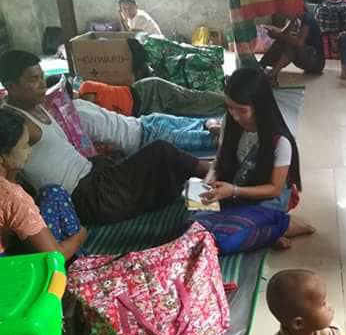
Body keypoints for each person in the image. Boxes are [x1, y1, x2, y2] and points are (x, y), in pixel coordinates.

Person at [0, 50, 209, 225]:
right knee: (161, 151)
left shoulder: (37, 106)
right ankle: (217, 179)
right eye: (33, 80)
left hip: (94, 175)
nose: (42, 84)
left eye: (41, 77)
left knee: (169, 172)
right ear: (11, 87)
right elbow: (8, 169)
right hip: (88, 197)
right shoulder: (13, 123)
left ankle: (207, 201)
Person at [199, 67, 314, 248]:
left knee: (220, 240)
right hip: (237, 191)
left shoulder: (280, 141)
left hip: (266, 202)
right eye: (230, 108)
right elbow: (220, 158)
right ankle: (263, 232)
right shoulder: (230, 122)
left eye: (242, 110)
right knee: (195, 226)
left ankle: (284, 227)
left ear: (260, 107)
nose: (235, 115)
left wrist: (234, 190)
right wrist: (209, 180)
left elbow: (274, 189)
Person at [0, 108, 86, 260]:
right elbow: (54, 256)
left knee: (51, 193)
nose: (30, 150)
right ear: (2, 156)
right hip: (9, 269)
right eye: (25, 145)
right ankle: (79, 263)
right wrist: (80, 236)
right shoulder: (13, 197)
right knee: (56, 194)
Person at [74, 99, 219, 154]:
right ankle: (214, 124)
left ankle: (219, 130)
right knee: (200, 123)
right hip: (147, 120)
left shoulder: (74, 124)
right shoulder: (79, 103)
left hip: (149, 137)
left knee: (211, 140)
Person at [78, 77, 227, 117]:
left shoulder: (85, 88)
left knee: (190, 98)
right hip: (144, 110)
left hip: (147, 92)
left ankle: (227, 99)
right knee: (188, 110)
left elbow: (91, 106)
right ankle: (224, 107)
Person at [259, 12, 325, 87]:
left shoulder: (307, 19)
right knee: (283, 40)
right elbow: (283, 34)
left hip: (316, 62)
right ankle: (261, 65)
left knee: (292, 44)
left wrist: (279, 35)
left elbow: (299, 43)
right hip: (305, 56)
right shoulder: (295, 19)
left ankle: (272, 75)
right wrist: (275, 33)